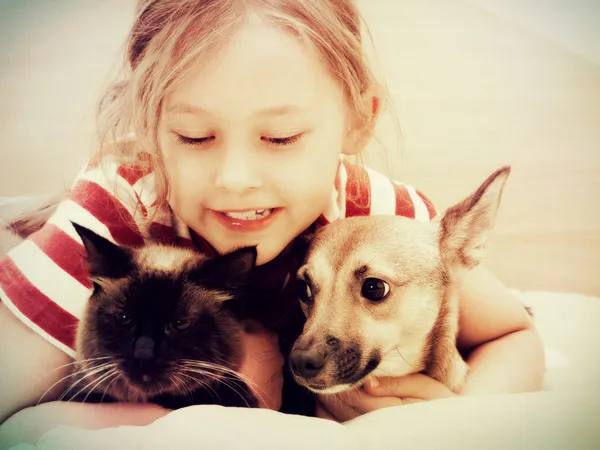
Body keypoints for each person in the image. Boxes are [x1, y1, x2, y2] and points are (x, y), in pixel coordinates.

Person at [0, 0, 545, 442]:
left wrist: (457, 420)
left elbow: (513, 333)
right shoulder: (121, 210)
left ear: (359, 121)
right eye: (194, 136)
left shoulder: (378, 220)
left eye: (280, 138)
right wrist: (200, 417)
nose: (236, 178)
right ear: (149, 127)